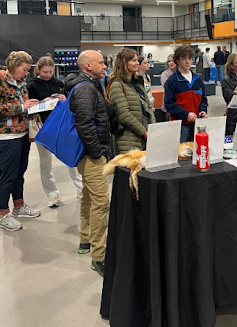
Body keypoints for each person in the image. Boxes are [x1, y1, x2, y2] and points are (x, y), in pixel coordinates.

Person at [64, 50, 110, 277]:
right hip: (90, 155)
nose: (105, 65)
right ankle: (99, 256)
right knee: (101, 202)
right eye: (101, 62)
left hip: (87, 154)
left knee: (89, 197)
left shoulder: (90, 85)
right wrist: (96, 154)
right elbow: (84, 124)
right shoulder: (85, 88)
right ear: (88, 66)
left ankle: (85, 240)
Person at [27, 56, 82, 207]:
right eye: (45, 72)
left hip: (61, 124)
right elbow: (28, 108)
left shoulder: (59, 83)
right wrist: (42, 102)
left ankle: (81, 190)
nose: (48, 74)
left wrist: (64, 99)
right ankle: (52, 194)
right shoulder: (31, 85)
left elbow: (69, 104)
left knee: (71, 158)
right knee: (45, 163)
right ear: (38, 70)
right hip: (42, 127)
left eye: (51, 71)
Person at [0, 51, 41, 232]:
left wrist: (40, 103)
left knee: (19, 173)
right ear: (13, 66)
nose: (27, 73)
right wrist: (21, 107)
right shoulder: (1, 81)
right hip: (6, 136)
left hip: (22, 133)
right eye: (24, 70)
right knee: (6, 176)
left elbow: (24, 104)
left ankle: (19, 205)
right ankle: (3, 213)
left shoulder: (21, 83)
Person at [108, 49, 155, 155]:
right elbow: (124, 115)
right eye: (134, 60)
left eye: (137, 60)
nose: (137, 63)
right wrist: (144, 132)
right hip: (128, 139)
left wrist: (152, 127)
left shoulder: (137, 83)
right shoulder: (117, 85)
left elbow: (148, 106)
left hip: (145, 137)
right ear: (124, 62)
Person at [165, 45, 208, 142]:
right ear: (177, 61)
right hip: (180, 126)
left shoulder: (198, 80)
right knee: (181, 153)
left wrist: (203, 110)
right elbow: (169, 105)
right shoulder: (172, 81)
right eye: (184, 58)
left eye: (190, 58)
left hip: (197, 124)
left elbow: (203, 100)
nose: (187, 61)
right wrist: (186, 114)